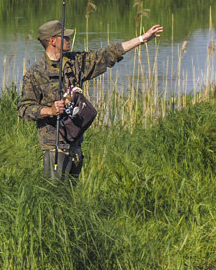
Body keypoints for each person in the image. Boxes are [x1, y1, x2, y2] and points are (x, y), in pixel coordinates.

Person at [19, 19, 163, 180]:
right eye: (64, 37)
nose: (68, 39)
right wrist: (49, 110)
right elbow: (24, 109)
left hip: (75, 145)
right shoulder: (35, 74)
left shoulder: (74, 63)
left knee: (71, 198)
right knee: (54, 195)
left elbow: (107, 54)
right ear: (52, 41)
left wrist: (142, 39)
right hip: (54, 146)